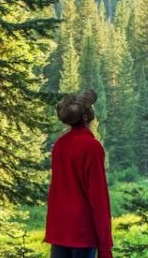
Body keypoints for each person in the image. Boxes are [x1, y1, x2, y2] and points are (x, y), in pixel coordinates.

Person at [43, 90, 114, 258]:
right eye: (90, 108)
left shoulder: (60, 145)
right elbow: (99, 199)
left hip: (59, 229)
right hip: (82, 232)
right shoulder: (92, 147)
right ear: (85, 117)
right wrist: (105, 247)